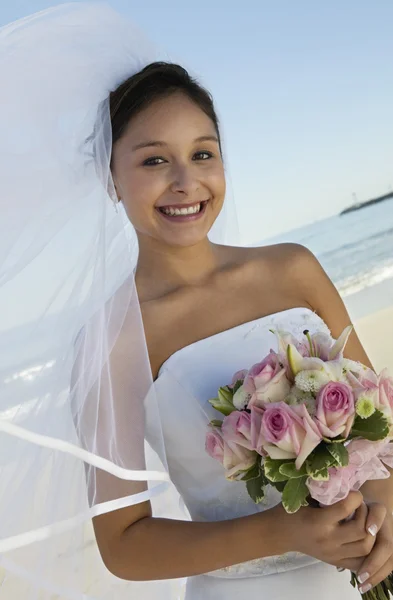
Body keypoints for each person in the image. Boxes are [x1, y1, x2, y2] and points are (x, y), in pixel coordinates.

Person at [0, 4, 392, 600]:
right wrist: (283, 530)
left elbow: (380, 432)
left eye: (202, 153)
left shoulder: (293, 268)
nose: (185, 182)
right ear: (111, 178)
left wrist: (386, 523)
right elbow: (125, 544)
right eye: (154, 160)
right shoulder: (111, 340)